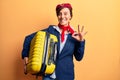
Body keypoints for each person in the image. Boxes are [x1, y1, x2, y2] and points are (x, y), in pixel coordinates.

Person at [22, 3, 87, 80]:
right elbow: (28, 38)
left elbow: (79, 57)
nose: (62, 16)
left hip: (66, 76)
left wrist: (81, 41)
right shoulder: (50, 30)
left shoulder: (75, 36)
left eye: (65, 14)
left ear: (70, 16)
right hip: (48, 75)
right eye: (60, 14)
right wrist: (25, 55)